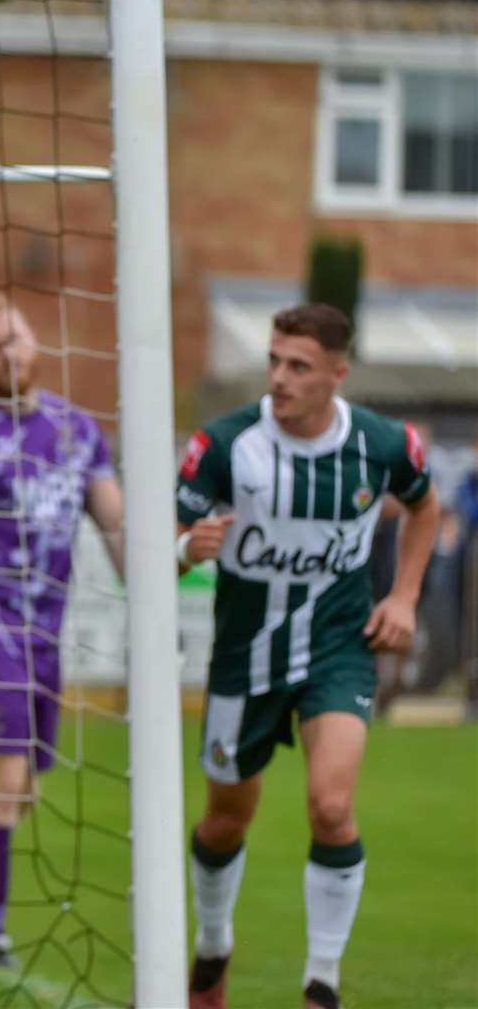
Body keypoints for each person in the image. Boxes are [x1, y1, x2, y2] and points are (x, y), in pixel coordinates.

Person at [177, 304, 437, 1009]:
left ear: (336, 374)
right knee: (227, 817)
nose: (279, 379)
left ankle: (322, 981)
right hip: (244, 658)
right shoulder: (226, 445)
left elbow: (425, 506)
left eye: (298, 366)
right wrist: (182, 550)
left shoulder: (382, 445)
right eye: (273, 361)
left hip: (338, 651)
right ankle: (212, 941)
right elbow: (162, 544)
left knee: (331, 804)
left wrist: (404, 596)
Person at [0, 290, 123, 966]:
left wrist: (158, 587)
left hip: (45, 633)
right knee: (3, 781)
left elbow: (116, 526)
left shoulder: (77, 431)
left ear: (34, 337)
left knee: (25, 791)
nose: (8, 354)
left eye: (15, 338)